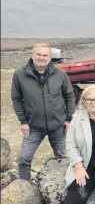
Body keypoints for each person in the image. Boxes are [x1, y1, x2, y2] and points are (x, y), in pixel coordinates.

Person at [11, 43, 76, 181]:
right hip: (33, 127)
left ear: (50, 57)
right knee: (23, 159)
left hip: (58, 126)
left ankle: (63, 186)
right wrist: (23, 122)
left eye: (45, 55)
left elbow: (70, 96)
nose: (41, 58)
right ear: (32, 55)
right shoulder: (20, 74)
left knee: (64, 158)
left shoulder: (60, 74)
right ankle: (24, 188)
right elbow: (16, 99)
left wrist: (69, 119)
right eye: (38, 54)